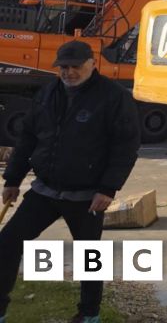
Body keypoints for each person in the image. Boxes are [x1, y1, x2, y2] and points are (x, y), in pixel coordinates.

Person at [0, 40, 140, 323]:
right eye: (63, 67)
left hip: (88, 196)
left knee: (90, 256)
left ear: (92, 64)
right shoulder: (48, 93)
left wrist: (107, 188)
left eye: (75, 66)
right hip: (46, 190)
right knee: (7, 243)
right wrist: (12, 179)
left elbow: (125, 146)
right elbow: (28, 137)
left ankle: (89, 314)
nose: (69, 72)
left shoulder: (113, 97)